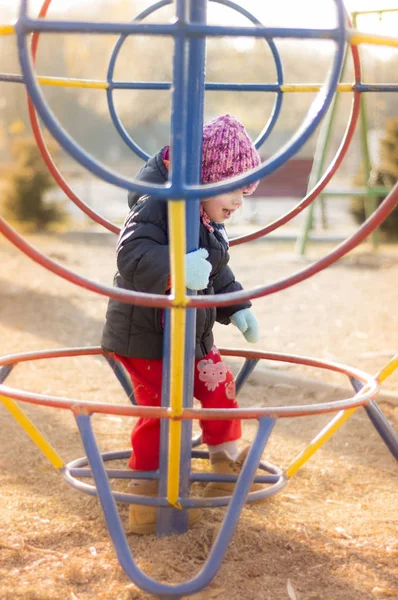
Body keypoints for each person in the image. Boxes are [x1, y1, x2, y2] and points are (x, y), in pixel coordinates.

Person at [102, 114, 261, 534]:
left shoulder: (208, 221)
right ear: (205, 179)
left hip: (192, 335)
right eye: (234, 188)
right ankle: (149, 502)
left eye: (246, 191)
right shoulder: (157, 205)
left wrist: (236, 305)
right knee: (163, 411)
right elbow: (131, 256)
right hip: (148, 336)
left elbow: (214, 270)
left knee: (219, 384)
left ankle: (222, 466)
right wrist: (176, 266)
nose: (240, 201)